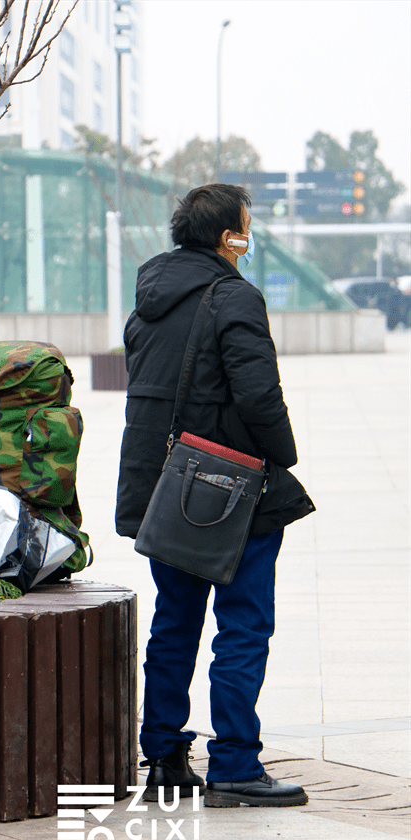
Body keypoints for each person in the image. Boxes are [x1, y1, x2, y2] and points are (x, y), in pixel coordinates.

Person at [115, 184, 315, 808]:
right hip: (230, 490)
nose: (249, 237)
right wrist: (284, 455)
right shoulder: (235, 296)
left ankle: (166, 761)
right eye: (246, 226)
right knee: (243, 627)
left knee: (174, 624)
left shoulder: (148, 298)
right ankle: (233, 762)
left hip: (166, 487)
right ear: (229, 235)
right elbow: (258, 395)